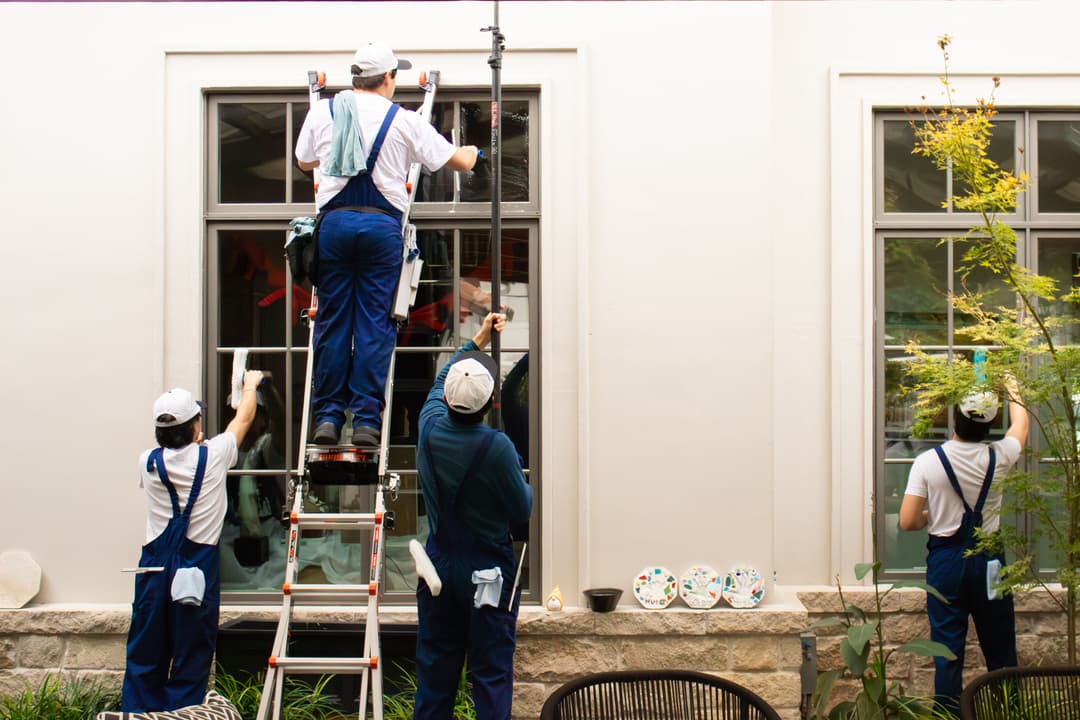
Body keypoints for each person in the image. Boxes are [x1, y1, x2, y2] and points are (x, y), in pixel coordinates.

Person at [295, 41, 479, 447]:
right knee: (375, 324)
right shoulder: (404, 121)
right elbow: (459, 163)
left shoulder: (324, 111)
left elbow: (304, 161)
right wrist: (473, 150)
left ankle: (326, 418)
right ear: (389, 79)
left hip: (335, 227)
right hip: (380, 230)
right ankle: (365, 422)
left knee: (333, 321)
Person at [121, 370, 263, 712]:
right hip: (195, 568)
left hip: (154, 568)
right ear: (196, 426)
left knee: (145, 649)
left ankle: (139, 714)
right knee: (191, 653)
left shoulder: (148, 462)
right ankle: (181, 714)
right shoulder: (213, 455)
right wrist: (250, 386)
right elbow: (243, 418)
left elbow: (176, 459)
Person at [414, 312, 532, 720]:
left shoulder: (427, 427)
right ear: (489, 403)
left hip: (439, 569)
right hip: (488, 572)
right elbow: (523, 509)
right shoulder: (497, 448)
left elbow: (438, 381)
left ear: (446, 399)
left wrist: (477, 340)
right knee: (490, 672)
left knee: (436, 672)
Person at [900, 377, 1028, 714]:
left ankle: (947, 715)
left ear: (956, 417)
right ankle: (1008, 713)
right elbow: (1021, 425)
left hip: (946, 562)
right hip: (991, 564)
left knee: (947, 654)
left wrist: (933, 514)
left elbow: (907, 521)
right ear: (988, 426)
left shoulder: (928, 461)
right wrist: (1012, 388)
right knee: (1002, 652)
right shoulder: (1001, 456)